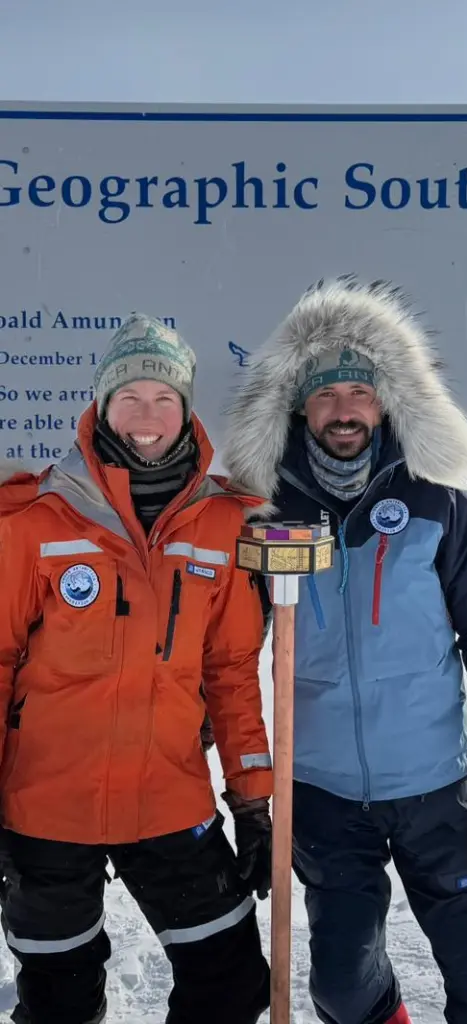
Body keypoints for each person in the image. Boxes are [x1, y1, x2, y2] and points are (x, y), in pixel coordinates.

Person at [222, 276, 467, 1024]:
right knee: (340, 988)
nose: (344, 410)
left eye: (359, 392)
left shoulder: (437, 500)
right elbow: (228, 656)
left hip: (434, 786)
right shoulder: (263, 514)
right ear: (298, 405)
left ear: (387, 400)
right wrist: (248, 788)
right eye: (326, 394)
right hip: (325, 794)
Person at [0, 314, 273, 1024]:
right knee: (58, 998)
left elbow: (233, 670)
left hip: (170, 801)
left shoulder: (222, 523)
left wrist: (252, 797)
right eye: (130, 398)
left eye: (164, 399)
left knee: (233, 983)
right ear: (102, 404)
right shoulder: (37, 518)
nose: (147, 417)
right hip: (47, 810)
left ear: (185, 410)